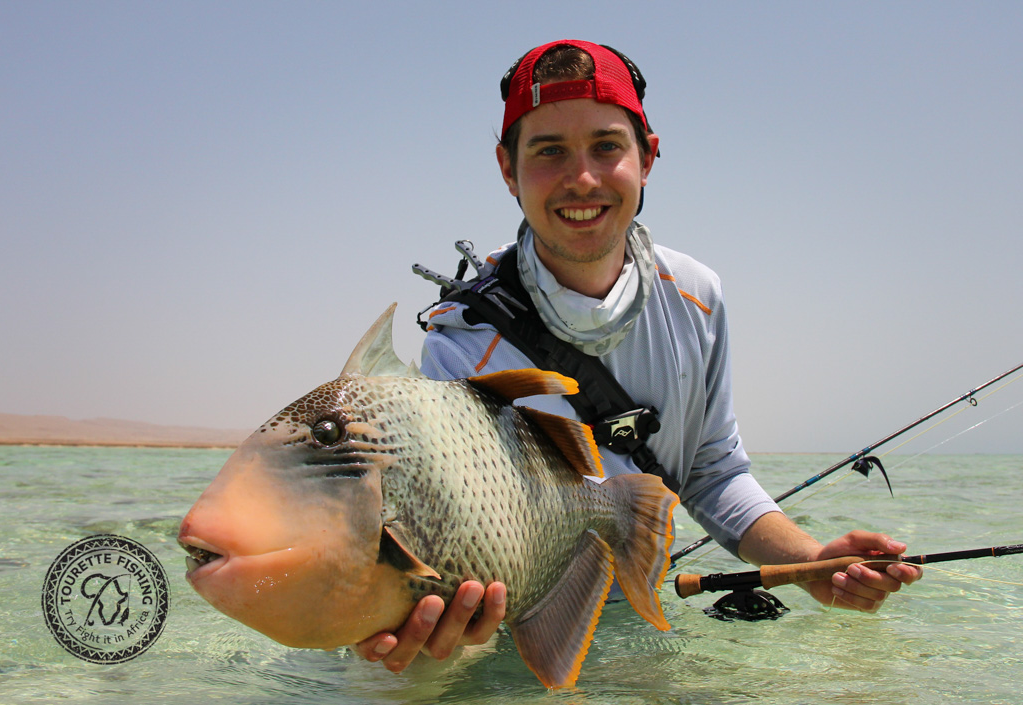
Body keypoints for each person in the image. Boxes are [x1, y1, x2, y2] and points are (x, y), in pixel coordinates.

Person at [354, 39, 922, 672]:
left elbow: (711, 470)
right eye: (548, 151)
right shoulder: (460, 343)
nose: (583, 178)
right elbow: (446, 528)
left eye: (606, 146)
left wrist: (808, 563)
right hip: (512, 641)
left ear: (647, 157)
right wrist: (405, 612)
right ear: (507, 169)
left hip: (647, 630)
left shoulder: (697, 297)